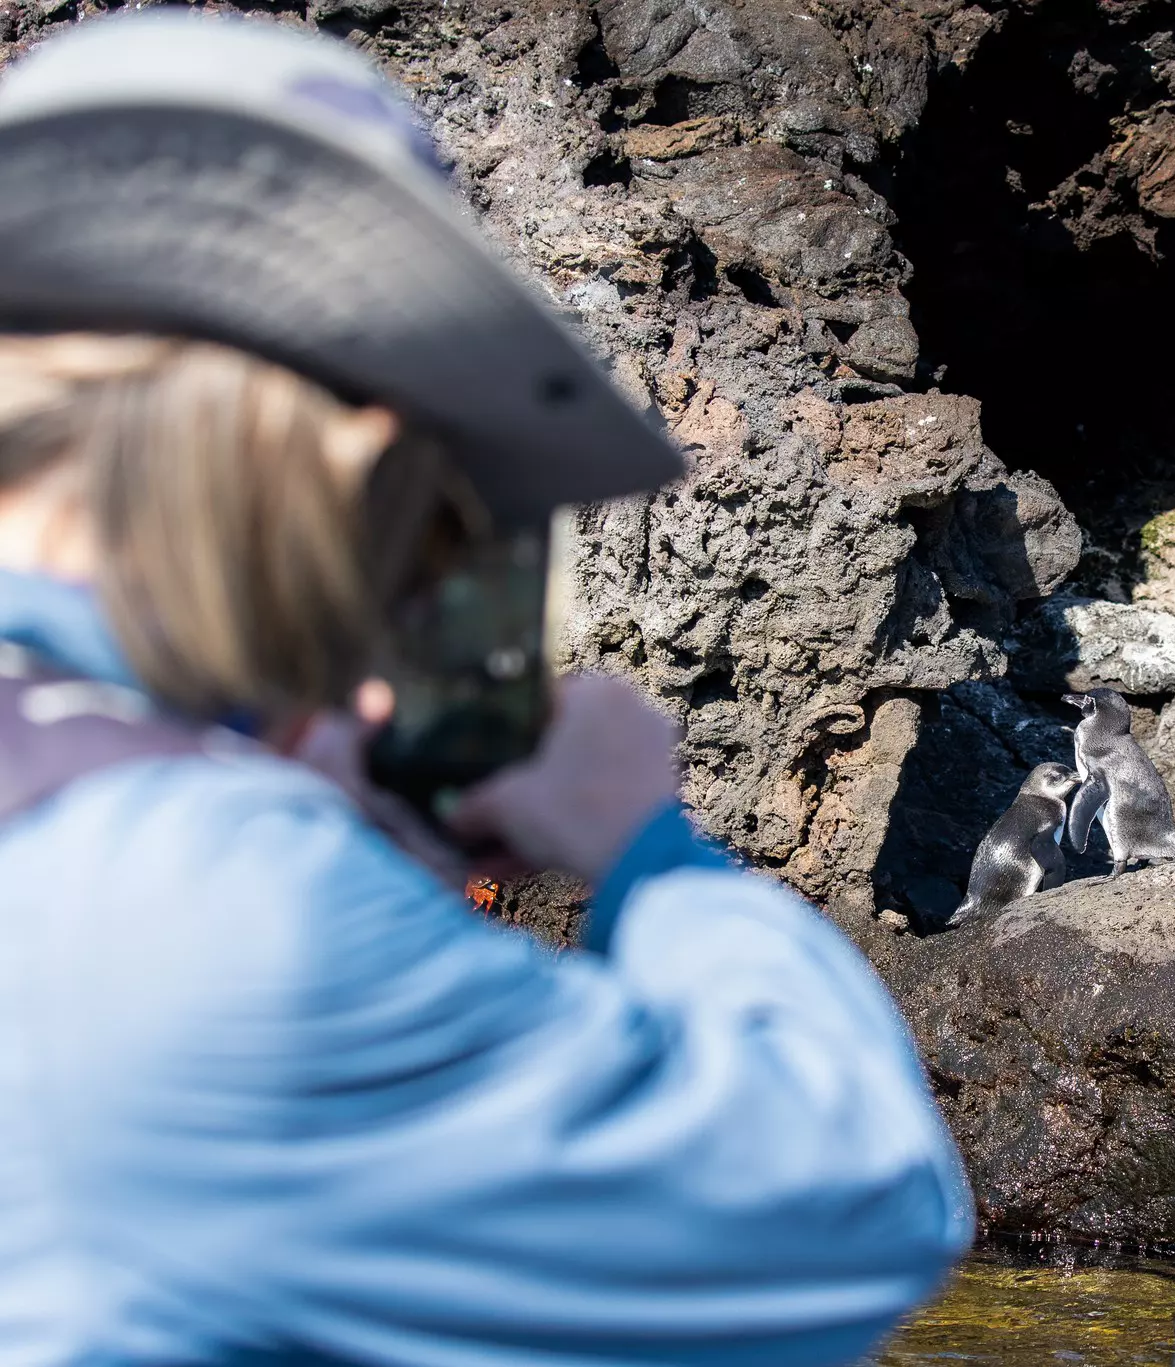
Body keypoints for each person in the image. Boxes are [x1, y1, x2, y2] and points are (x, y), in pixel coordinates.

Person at [0, 13, 971, 1367]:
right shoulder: (204, 901)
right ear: (356, 470)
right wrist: (642, 836)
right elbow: (849, 1198)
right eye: (443, 530)